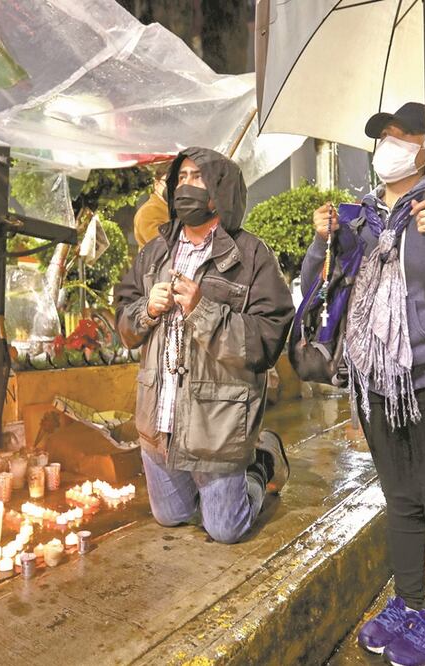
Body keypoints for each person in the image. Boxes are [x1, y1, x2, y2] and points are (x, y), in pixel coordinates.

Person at [302, 102, 425, 665]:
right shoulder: (360, 218)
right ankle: (408, 604)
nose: (387, 145)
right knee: (401, 502)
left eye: (403, 136)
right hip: (379, 383)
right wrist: (323, 242)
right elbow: (320, 290)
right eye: (383, 136)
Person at [114, 147, 294, 544]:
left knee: (226, 530)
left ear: (220, 191)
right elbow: (124, 325)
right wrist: (146, 309)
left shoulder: (251, 256)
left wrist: (202, 309)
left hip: (216, 426)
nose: (185, 186)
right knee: (171, 516)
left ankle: (260, 461)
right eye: (181, 178)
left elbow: (267, 338)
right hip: (159, 421)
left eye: (198, 177)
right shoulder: (153, 252)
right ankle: (200, 488)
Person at [133, 165, 170, 248]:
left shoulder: (173, 208)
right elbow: (162, 246)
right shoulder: (148, 212)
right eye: (167, 181)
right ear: (156, 184)